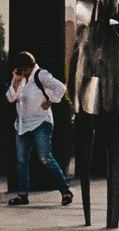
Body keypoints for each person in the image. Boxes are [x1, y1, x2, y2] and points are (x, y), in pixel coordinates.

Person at [7, 52, 73, 206]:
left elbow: (61, 87)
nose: (23, 73)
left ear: (30, 66)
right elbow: (10, 98)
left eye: (25, 70)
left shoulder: (41, 75)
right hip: (22, 125)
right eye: (20, 70)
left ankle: (65, 191)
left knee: (45, 158)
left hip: (40, 122)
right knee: (21, 161)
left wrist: (50, 101)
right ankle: (22, 195)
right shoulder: (19, 79)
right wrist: (16, 82)